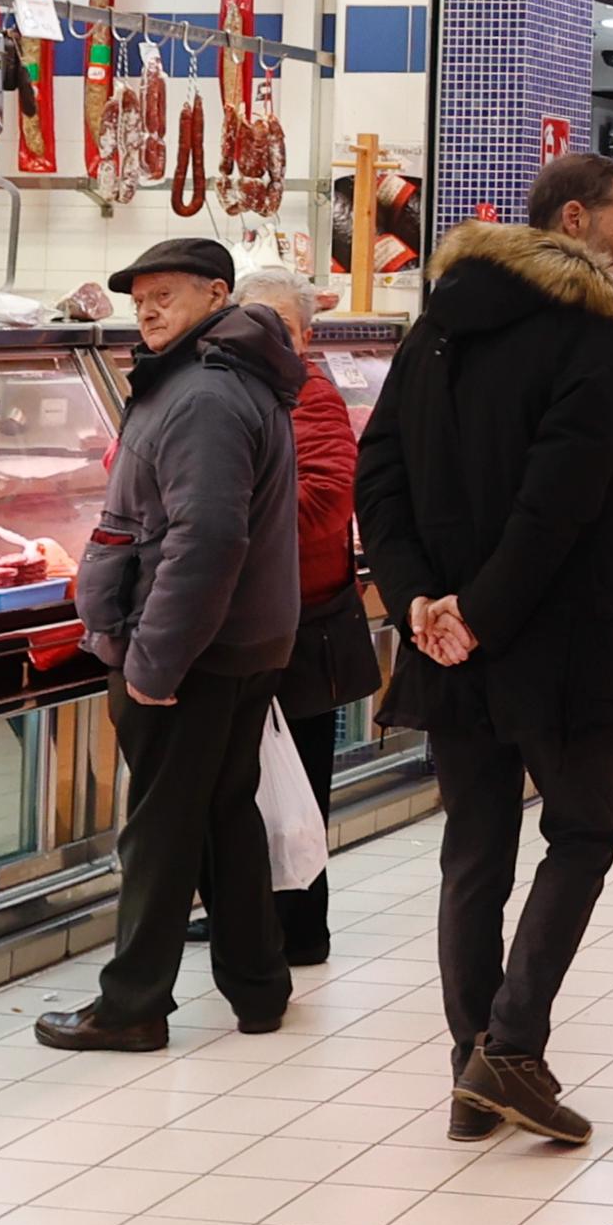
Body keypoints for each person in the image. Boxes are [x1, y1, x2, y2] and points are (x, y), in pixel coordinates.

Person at [355, 151, 613, 1145]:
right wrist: (475, 612)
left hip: (449, 638)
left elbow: (379, 472)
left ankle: (471, 1068)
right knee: (583, 831)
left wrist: (419, 601)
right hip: (558, 635)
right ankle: (510, 1047)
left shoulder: (438, 324)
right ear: (573, 219)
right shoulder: (591, 332)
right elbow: (559, 499)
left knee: (474, 847)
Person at [46, 237, 305, 1049]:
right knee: (225, 815)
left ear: (217, 294)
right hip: (235, 642)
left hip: (192, 651)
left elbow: (208, 539)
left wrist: (155, 662)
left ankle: (132, 1007)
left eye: (166, 295)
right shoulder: (216, 377)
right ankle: (258, 987)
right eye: (140, 300)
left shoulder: (202, 394)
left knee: (159, 831)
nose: (148, 311)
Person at [238, 263, 361, 967]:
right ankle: (253, 916)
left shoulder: (310, 393)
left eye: (279, 326)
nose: (262, 336)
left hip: (302, 620)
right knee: (253, 786)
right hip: (255, 615)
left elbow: (324, 505)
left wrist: (226, 522)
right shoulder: (230, 388)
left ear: (306, 337)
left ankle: (300, 930)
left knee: (299, 784)